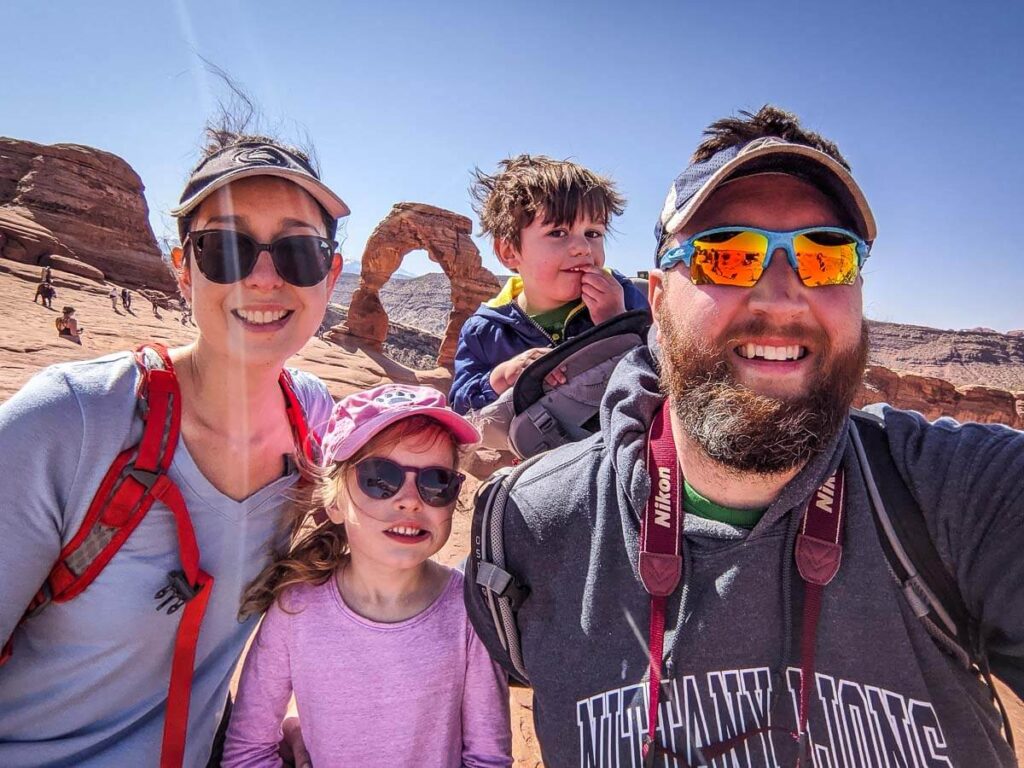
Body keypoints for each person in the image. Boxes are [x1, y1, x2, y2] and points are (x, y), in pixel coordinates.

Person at [464, 106, 1024, 767]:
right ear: (659, 296)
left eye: (826, 257)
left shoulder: (962, 497)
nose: (782, 296)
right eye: (727, 257)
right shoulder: (527, 530)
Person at [0, 127, 348, 767]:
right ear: (182, 268)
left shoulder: (317, 425)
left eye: (298, 252)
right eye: (225, 249)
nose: (265, 278)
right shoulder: (74, 422)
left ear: (331, 273)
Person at [222, 383, 512, 767]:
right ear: (335, 501)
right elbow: (247, 751)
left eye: (436, 482)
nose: (410, 499)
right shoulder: (296, 609)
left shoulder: (467, 611)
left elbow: (488, 758)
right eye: (380, 478)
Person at [449, 155, 649, 416]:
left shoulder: (624, 295)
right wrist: (501, 377)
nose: (582, 248)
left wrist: (616, 322)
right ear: (509, 251)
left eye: (593, 233)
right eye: (558, 233)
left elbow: (659, 371)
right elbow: (461, 405)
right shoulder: (486, 330)